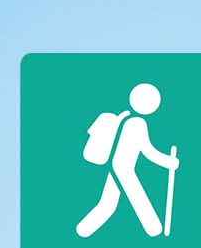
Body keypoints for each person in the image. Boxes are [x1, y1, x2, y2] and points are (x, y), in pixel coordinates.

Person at [76, 82, 179, 238]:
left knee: (108, 203)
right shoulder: (137, 123)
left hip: (114, 165)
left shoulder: (122, 117)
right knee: (137, 199)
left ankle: (83, 230)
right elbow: (148, 151)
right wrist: (169, 162)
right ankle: (155, 230)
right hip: (123, 168)